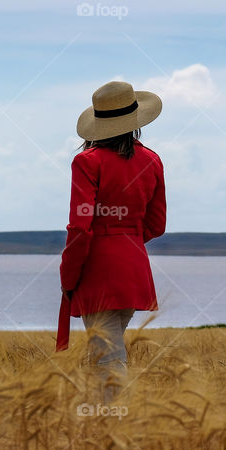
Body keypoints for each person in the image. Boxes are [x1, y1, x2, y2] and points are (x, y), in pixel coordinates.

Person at [56, 80, 166, 386]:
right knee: (109, 354)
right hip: (133, 267)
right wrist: (125, 239)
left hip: (97, 270)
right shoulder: (152, 160)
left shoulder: (86, 162)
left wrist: (68, 277)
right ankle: (110, 423)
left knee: (107, 359)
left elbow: (80, 226)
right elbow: (156, 225)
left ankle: (113, 423)